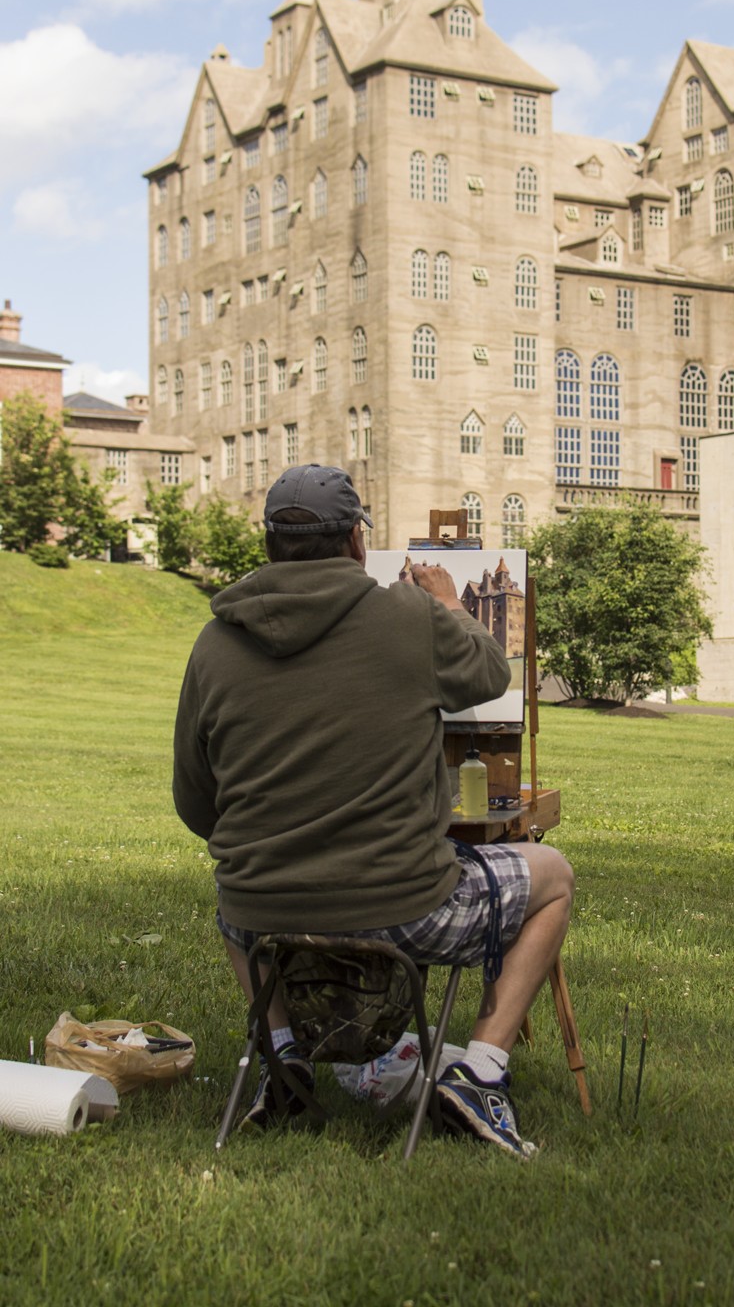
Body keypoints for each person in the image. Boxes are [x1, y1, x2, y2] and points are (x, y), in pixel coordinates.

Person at [173, 463, 573, 1157]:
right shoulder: (409, 617)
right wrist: (449, 604)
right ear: (358, 542)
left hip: (261, 918)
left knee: (231, 895)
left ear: (269, 546)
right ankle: (479, 1075)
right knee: (553, 875)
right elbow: (489, 674)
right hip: (403, 907)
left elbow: (195, 802)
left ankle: (284, 1056)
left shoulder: (213, 643)